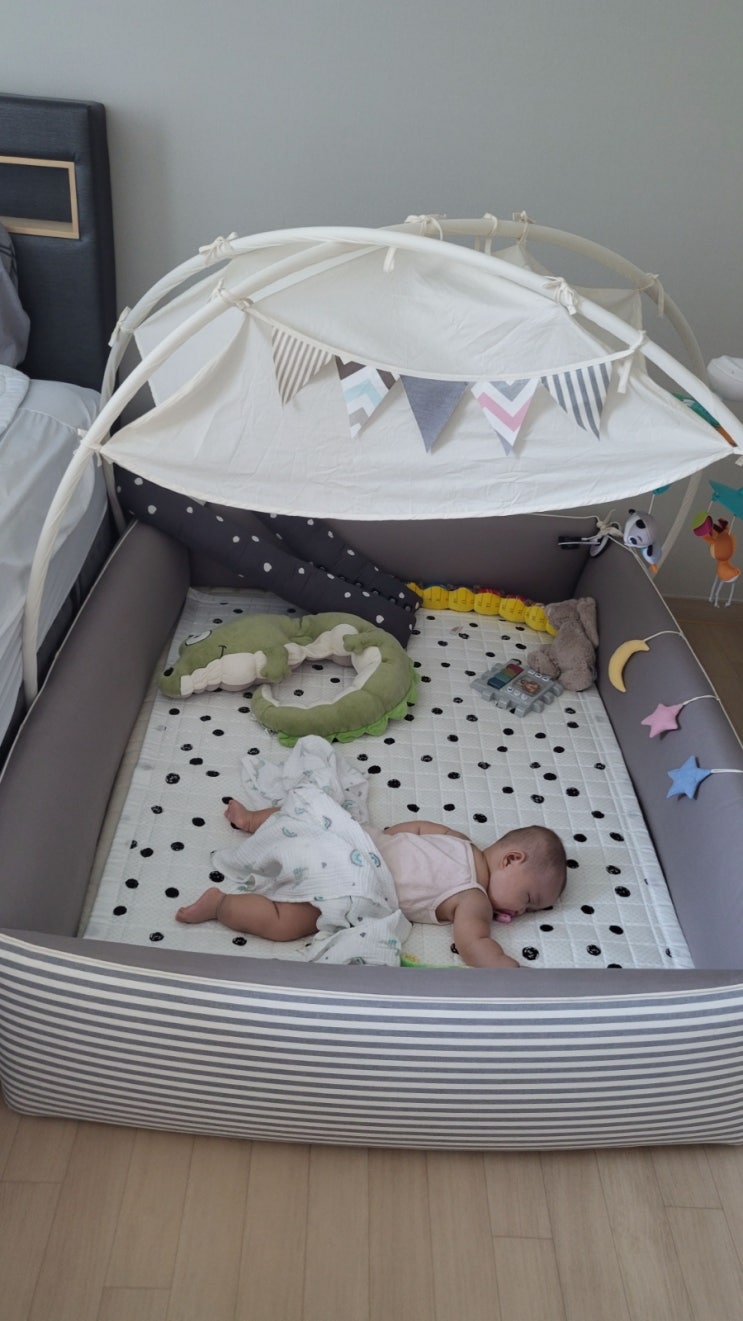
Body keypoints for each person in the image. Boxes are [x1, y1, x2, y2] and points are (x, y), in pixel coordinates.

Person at [176, 800, 567, 969]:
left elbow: (415, 828)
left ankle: (251, 821)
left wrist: (383, 838)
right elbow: (473, 943)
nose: (521, 911)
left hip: (357, 840)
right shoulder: (473, 898)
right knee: (285, 921)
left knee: (309, 817)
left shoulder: (460, 840)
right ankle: (222, 905)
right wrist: (502, 967)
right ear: (511, 860)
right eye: (529, 899)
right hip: (355, 880)